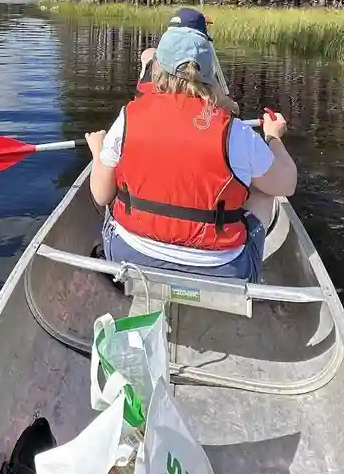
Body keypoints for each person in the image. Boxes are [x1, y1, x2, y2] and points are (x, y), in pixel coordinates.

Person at [85, 26, 297, 283]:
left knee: (113, 181)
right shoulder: (235, 131)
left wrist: (98, 152)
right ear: (210, 73)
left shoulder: (128, 117)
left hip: (128, 257)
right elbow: (287, 184)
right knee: (265, 191)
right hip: (224, 272)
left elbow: (101, 195)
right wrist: (273, 137)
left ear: (157, 68)